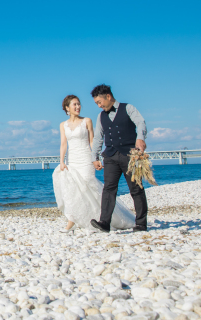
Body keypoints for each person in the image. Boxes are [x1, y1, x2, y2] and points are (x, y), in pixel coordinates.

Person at [52, 95, 136, 232]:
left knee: (87, 186)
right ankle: (74, 220)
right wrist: (61, 161)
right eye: (74, 104)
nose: (78, 107)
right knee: (74, 191)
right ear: (67, 108)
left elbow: (92, 141)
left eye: (79, 104)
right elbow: (63, 144)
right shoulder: (63, 125)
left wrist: (96, 158)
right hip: (72, 161)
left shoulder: (87, 121)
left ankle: (100, 218)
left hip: (86, 159)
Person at [88, 84, 149, 233]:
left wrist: (140, 138)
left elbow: (141, 122)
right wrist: (94, 156)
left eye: (99, 102)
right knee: (108, 189)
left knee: (136, 189)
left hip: (130, 156)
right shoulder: (101, 116)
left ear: (108, 97)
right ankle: (104, 222)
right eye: (96, 103)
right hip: (110, 156)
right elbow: (98, 137)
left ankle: (141, 223)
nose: (99, 106)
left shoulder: (128, 108)